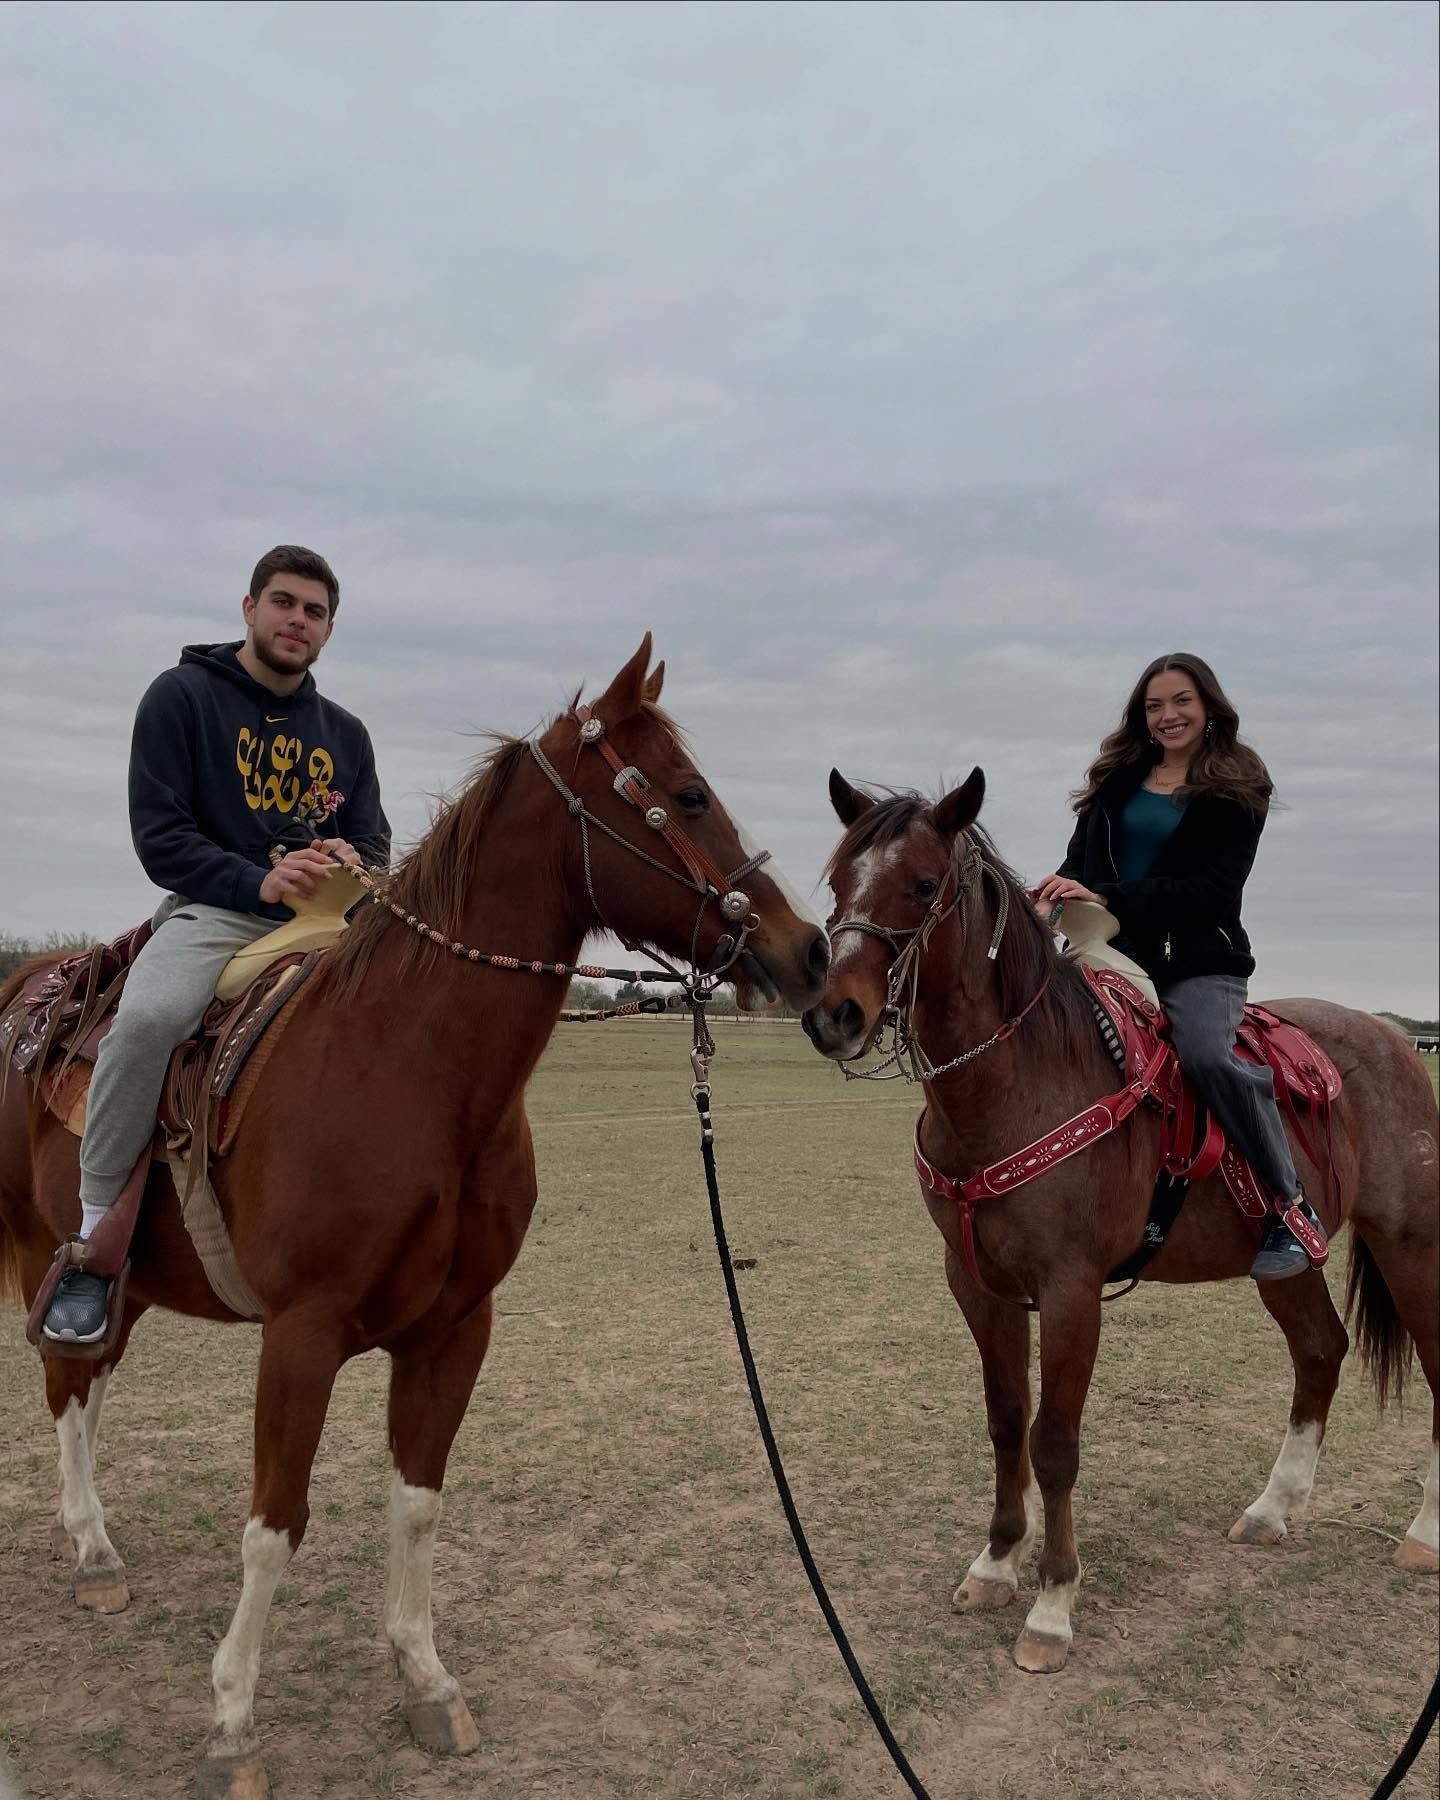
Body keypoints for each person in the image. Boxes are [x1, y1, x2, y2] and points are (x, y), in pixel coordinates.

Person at [42, 546, 390, 1343]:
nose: (297, 620)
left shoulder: (346, 733)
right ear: (249, 608)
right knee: (151, 1017)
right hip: (218, 912)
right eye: (284, 602)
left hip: (332, 918)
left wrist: (351, 859)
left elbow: (371, 834)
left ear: (330, 631)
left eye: (314, 611)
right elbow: (160, 836)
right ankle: (93, 1246)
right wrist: (258, 882)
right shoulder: (181, 698)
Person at [1032, 652, 1325, 1281]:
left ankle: (1290, 1206)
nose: (1168, 716)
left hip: (1197, 960)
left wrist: (1112, 896)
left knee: (1208, 1056)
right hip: (1110, 952)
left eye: (1181, 701)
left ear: (1208, 705)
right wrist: (1059, 889)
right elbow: (1082, 862)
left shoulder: (1237, 788)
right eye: (1154, 705)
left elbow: (1213, 890)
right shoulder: (1115, 782)